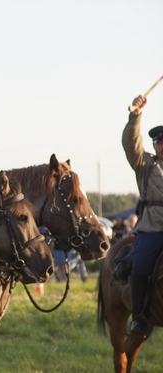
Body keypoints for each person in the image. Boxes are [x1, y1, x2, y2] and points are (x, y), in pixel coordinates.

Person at [122, 94, 163, 337]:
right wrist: (135, 116)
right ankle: (139, 317)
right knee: (140, 267)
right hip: (152, 226)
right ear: (155, 145)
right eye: (160, 142)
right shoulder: (145, 164)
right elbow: (131, 143)